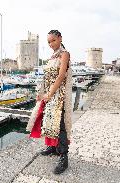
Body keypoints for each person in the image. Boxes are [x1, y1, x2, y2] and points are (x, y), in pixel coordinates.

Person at [27, 30, 72, 174]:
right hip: (49, 94)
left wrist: (50, 94)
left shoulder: (64, 54)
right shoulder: (52, 56)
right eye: (48, 42)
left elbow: (60, 76)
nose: (51, 44)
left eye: (53, 40)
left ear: (60, 38)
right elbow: (46, 78)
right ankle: (52, 148)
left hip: (59, 95)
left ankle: (63, 157)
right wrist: (42, 94)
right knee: (48, 121)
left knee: (60, 125)